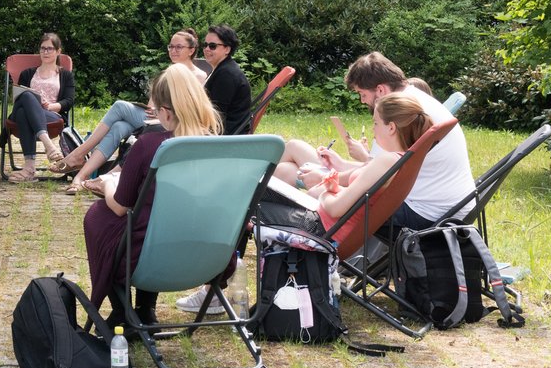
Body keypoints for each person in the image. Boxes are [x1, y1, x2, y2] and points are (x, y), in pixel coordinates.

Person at [82, 64, 223, 329]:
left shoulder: (150, 145)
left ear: (166, 112)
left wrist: (107, 186)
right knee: (154, 214)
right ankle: (145, 309)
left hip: (152, 258)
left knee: (100, 216)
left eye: (155, 110)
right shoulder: (219, 146)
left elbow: (121, 207)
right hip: (208, 258)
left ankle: (122, 310)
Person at [273, 52, 474, 229]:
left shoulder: (395, 113)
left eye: (362, 94)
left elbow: (374, 178)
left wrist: (325, 183)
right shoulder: (417, 102)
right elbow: (380, 170)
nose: (362, 101)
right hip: (453, 207)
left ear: (380, 90)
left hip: (423, 213)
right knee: (290, 166)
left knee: (290, 171)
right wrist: (341, 166)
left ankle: (273, 231)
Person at [261, 93, 433, 243]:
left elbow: (336, 209)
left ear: (391, 127)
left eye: (375, 123)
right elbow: (353, 189)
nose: (373, 129)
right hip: (328, 224)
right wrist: (331, 183)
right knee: (259, 190)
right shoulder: (400, 160)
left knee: (250, 203)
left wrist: (326, 191)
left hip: (320, 228)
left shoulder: (386, 161)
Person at [58, 28, 207, 194]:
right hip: (156, 116)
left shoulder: (200, 76)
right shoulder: (167, 73)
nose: (173, 51)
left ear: (191, 50)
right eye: (170, 47)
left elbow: (194, 107)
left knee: (119, 106)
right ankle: (85, 177)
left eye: (179, 47)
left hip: (175, 121)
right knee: (119, 127)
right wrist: (155, 109)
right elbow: (152, 104)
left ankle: (79, 156)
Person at [6, 32, 75, 183]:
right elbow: (18, 98)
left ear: (58, 51)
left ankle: (29, 170)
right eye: (43, 48)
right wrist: (32, 99)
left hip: (50, 114)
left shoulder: (65, 75)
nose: (45, 52)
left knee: (25, 113)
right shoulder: (27, 73)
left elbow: (69, 100)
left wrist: (51, 106)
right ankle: (49, 145)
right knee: (28, 96)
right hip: (20, 112)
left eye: (50, 48)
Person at [202, 24, 253, 135]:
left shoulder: (227, 75)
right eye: (205, 45)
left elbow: (216, 115)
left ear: (227, 49)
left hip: (226, 140)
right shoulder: (222, 69)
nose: (206, 49)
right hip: (223, 134)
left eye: (212, 46)